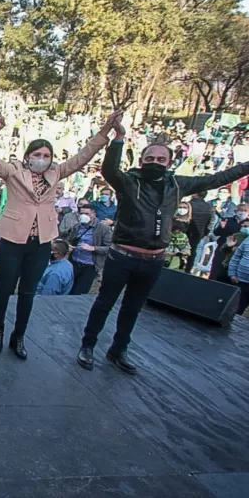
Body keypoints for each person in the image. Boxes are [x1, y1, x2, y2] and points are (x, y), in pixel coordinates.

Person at [78, 123, 249, 375]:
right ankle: (88, 345)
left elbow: (217, 179)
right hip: (122, 256)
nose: (155, 162)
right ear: (142, 160)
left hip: (153, 260)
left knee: (133, 307)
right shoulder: (128, 182)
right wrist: (119, 139)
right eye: (150, 158)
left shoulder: (177, 185)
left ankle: (118, 349)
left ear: (169, 162)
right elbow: (109, 169)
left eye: (160, 158)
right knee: (104, 302)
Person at [0, 111, 117, 359]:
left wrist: (104, 132)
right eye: (37, 155)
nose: (42, 159)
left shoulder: (55, 173)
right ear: (27, 157)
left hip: (40, 243)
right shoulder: (14, 171)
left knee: (28, 291)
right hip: (12, 241)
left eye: (46, 156)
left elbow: (82, 157)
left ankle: (19, 335)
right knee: (4, 288)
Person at [64, 202, 112, 295]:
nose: (83, 216)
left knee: (79, 292)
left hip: (89, 266)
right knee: (67, 289)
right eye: (81, 213)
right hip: (74, 262)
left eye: (86, 214)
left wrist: (93, 248)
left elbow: (109, 248)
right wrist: (68, 246)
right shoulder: (77, 226)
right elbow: (69, 240)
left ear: (93, 214)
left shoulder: (103, 229)